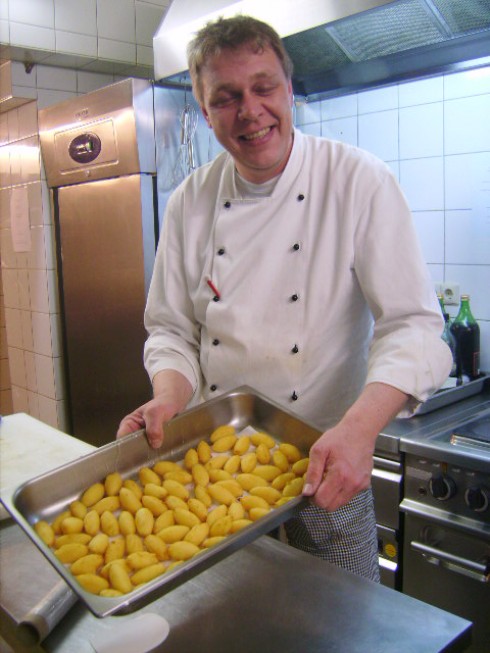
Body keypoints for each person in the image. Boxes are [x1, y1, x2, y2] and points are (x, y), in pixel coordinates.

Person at [118, 15, 452, 581]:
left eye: (263, 87)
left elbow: (413, 326)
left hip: (329, 465)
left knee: (341, 618)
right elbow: (172, 329)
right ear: (205, 112)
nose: (249, 111)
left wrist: (360, 430)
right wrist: (169, 398)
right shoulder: (189, 203)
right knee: (231, 614)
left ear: (288, 90)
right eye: (226, 97)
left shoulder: (357, 180)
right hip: (218, 473)